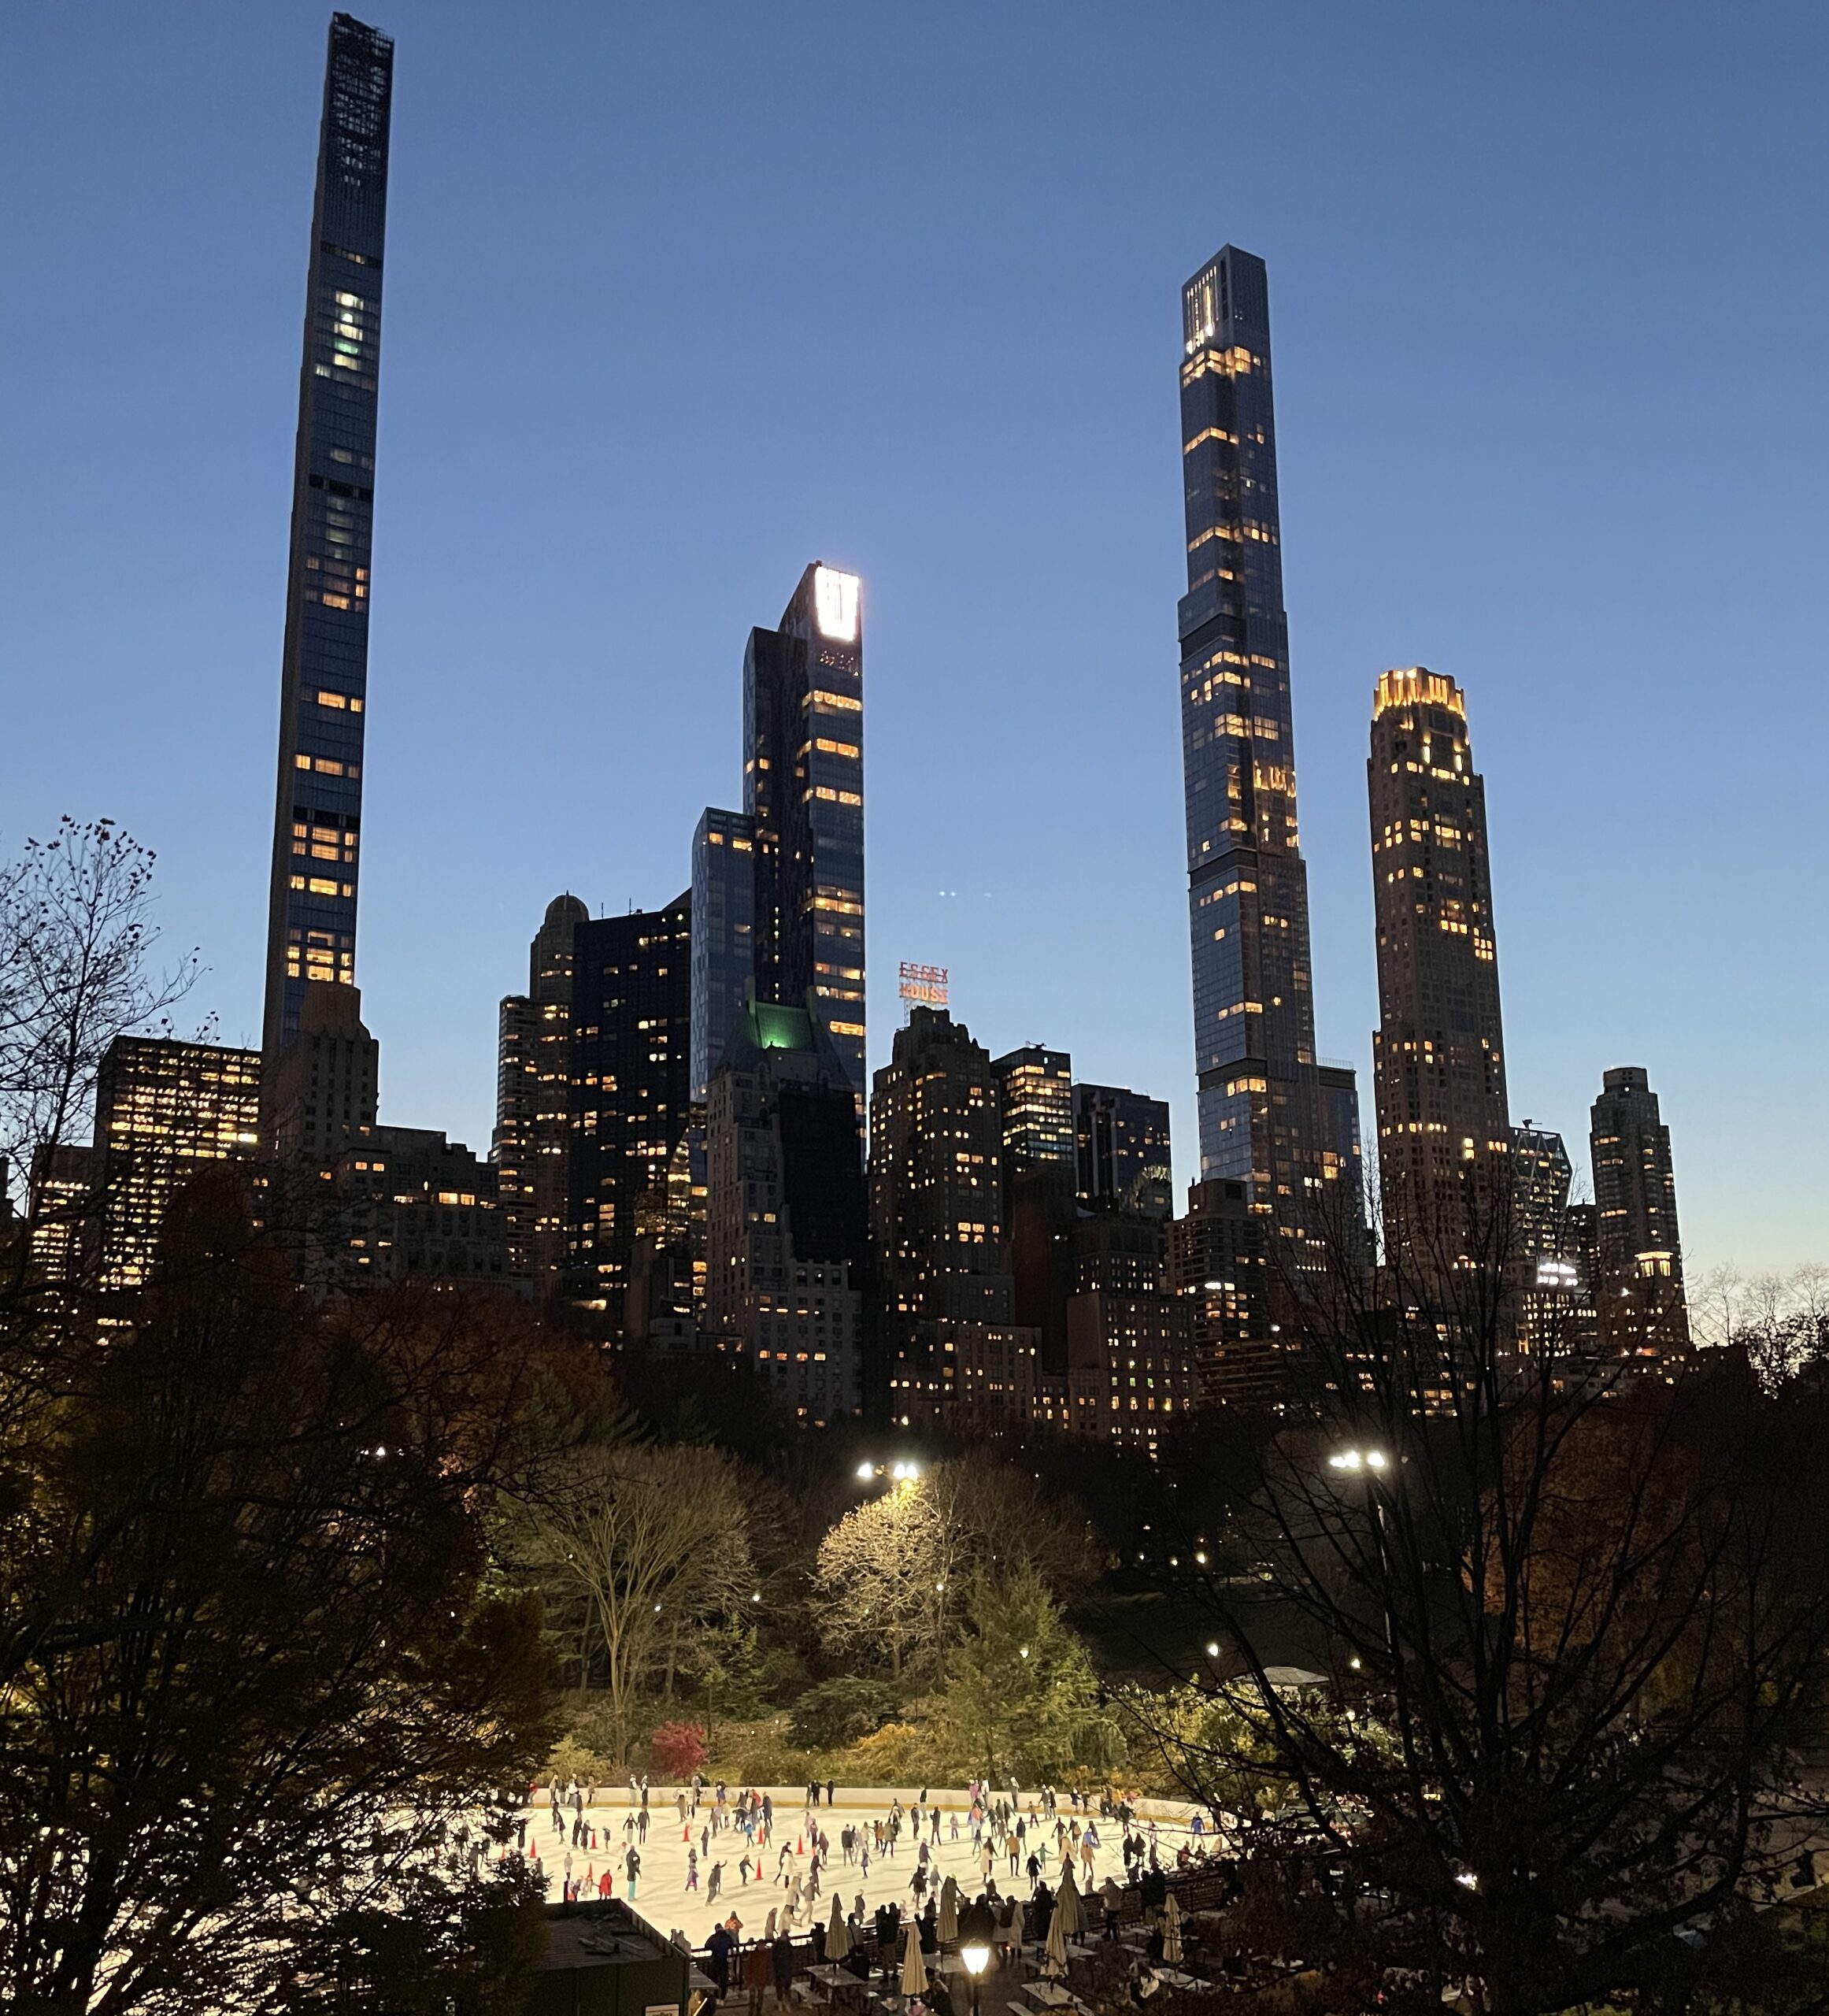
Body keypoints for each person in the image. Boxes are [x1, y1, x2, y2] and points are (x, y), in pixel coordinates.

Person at [1101, 1875, 1124, 1940]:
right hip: (1118, 1908)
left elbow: (1100, 1891)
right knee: (1111, 1920)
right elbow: (1121, 1894)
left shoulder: (1106, 1888)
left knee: (1109, 1920)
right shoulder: (1116, 1887)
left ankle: (1112, 1934)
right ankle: (1110, 1933)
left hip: (1110, 1908)